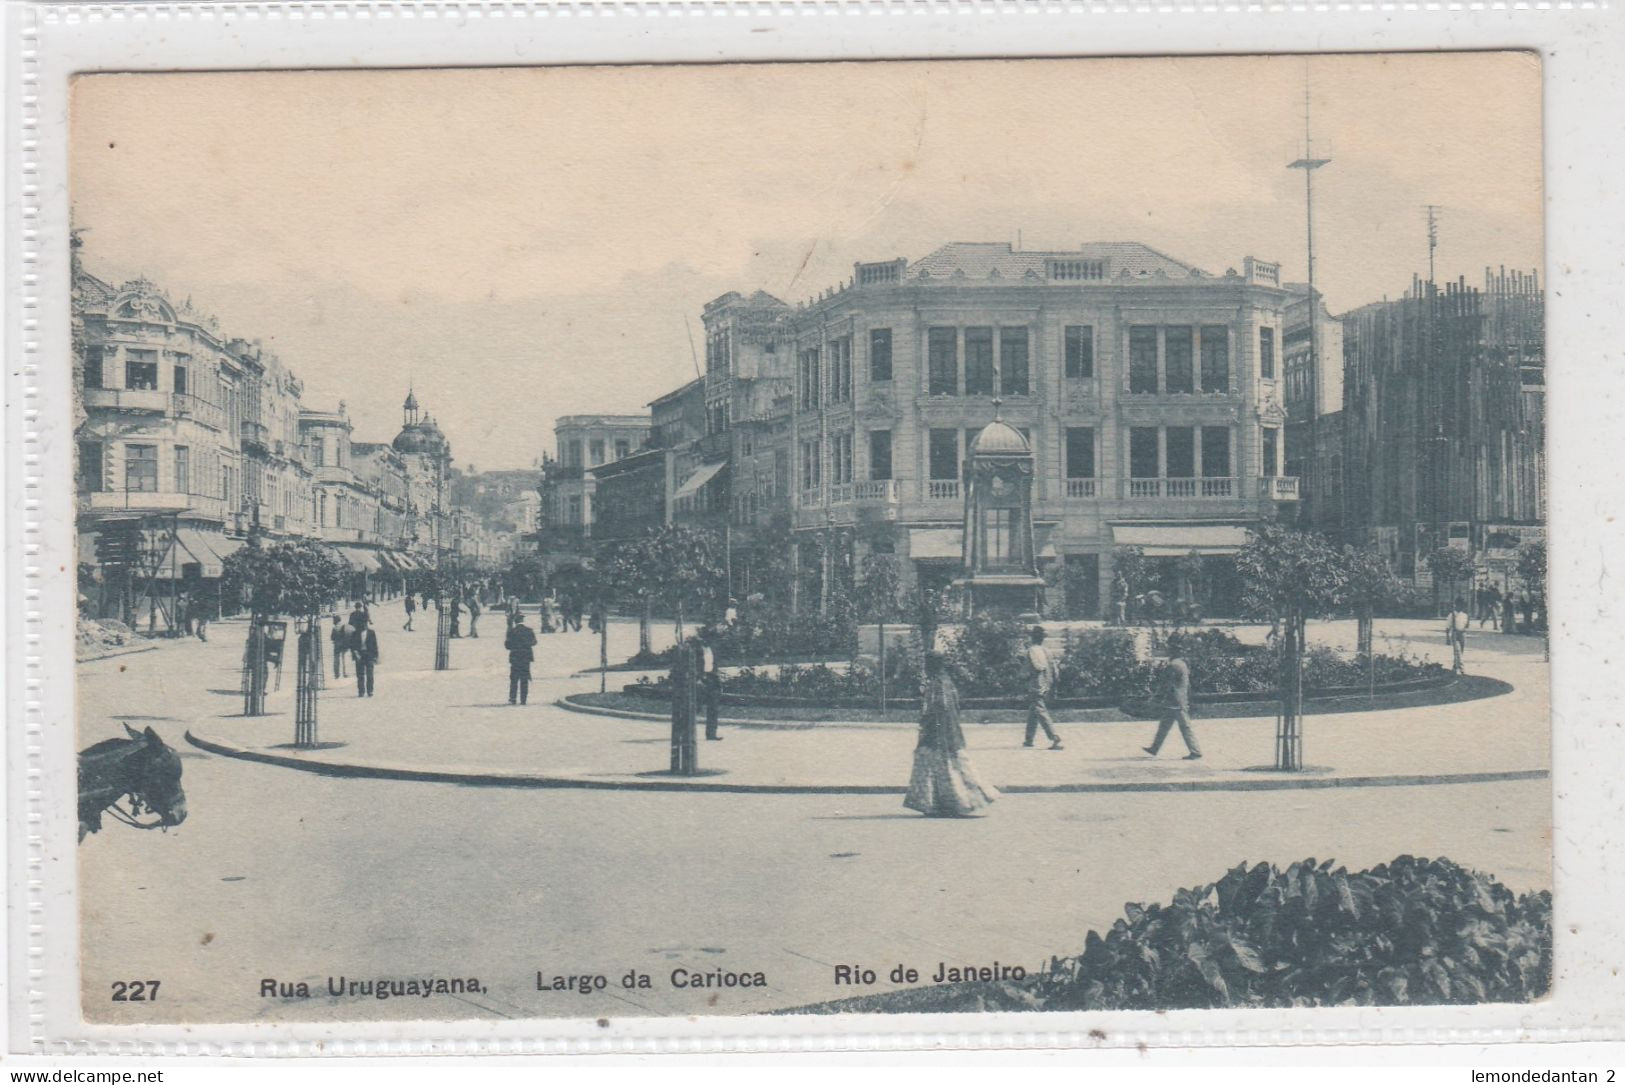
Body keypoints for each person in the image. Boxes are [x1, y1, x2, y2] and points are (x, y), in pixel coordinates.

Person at [904, 652, 999, 818]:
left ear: (932, 665)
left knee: (943, 767)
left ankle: (953, 803)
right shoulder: (946, 682)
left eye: (928, 663)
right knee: (947, 768)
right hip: (947, 733)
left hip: (939, 734)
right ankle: (941, 803)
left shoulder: (937, 684)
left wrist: (928, 728)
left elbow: (939, 710)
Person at [1144, 643, 1201, 760]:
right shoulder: (1182, 664)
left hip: (1174, 701)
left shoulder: (1173, 665)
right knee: (1164, 726)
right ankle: (1154, 748)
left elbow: (1166, 684)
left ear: (1172, 653)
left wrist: (1156, 696)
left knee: (1185, 727)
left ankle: (1196, 751)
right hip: (1178, 700)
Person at [1022, 626, 1063, 750]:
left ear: (1032, 637)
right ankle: (1028, 739)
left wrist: (1024, 675)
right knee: (1033, 711)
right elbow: (1055, 669)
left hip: (1036, 684)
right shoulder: (1047, 651)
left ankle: (1054, 736)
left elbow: (1037, 666)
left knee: (1039, 710)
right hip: (1047, 683)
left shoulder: (1031, 651)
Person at [504, 612, 537, 705]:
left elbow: (507, 646)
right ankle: (523, 699)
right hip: (526, 657)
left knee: (514, 678)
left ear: (515, 621)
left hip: (515, 658)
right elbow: (534, 642)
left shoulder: (511, 631)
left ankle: (513, 698)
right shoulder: (529, 630)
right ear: (523, 620)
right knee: (525, 678)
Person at [698, 627, 722, 741]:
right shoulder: (698, 649)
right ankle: (685, 732)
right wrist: (699, 678)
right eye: (709, 637)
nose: (711, 640)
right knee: (695, 707)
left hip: (712, 678)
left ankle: (711, 733)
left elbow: (714, 664)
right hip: (701, 679)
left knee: (713, 707)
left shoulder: (713, 649)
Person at [352, 624, 379, 697]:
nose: (364, 625)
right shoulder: (355, 633)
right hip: (360, 655)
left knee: (370, 674)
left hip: (369, 655)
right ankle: (361, 691)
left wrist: (376, 656)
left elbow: (375, 644)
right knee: (360, 675)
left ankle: (370, 691)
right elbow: (353, 645)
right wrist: (355, 654)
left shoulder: (371, 633)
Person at [1446, 596, 1470, 674]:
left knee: (1461, 651)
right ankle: (1462, 668)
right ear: (1456, 605)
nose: (1461, 607)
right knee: (1457, 651)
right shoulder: (1451, 615)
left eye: (1462, 605)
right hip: (1455, 633)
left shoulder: (1464, 615)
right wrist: (1447, 638)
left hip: (1462, 633)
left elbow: (1466, 625)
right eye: (1459, 605)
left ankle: (1455, 666)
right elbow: (1447, 627)